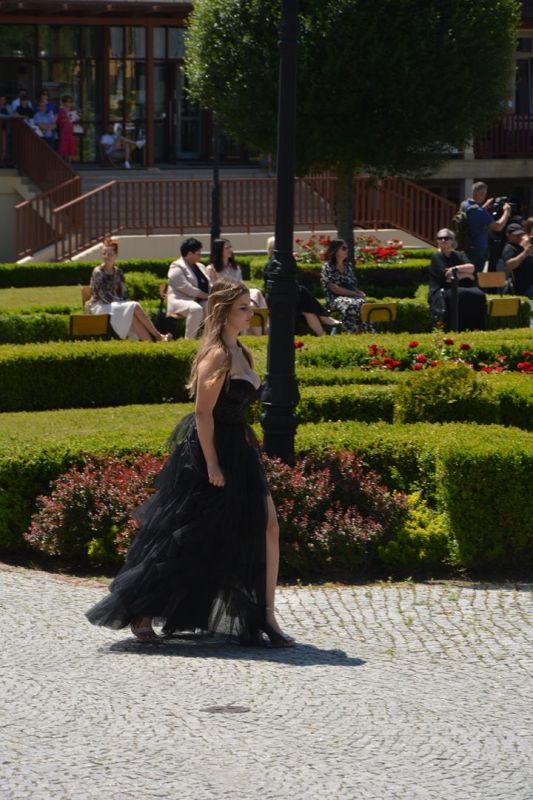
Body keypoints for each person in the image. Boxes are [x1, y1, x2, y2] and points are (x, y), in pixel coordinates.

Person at [86, 279, 294, 648]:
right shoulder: (217, 355)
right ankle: (143, 607)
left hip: (240, 451)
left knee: (268, 527)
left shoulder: (243, 352)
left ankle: (266, 614)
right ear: (224, 312)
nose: (250, 312)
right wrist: (212, 464)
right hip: (211, 453)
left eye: (249, 306)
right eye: (243, 307)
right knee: (190, 538)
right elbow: (202, 413)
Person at [87, 239, 171, 341]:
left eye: (110, 254)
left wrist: (123, 303)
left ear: (115, 255)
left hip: (114, 305)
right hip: (100, 306)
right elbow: (104, 296)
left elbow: (124, 292)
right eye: (104, 253)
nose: (106, 256)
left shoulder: (118, 272)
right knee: (134, 306)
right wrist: (122, 303)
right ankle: (158, 336)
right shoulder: (98, 272)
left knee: (132, 315)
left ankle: (151, 344)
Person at [265, 236, 339, 336]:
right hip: (280, 299)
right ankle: (324, 318)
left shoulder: (281, 261)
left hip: (290, 296)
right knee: (302, 292)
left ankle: (322, 334)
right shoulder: (274, 264)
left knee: (307, 310)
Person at [428, 228, 486, 331]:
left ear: (452, 240)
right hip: (443, 288)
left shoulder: (459, 254)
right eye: (440, 238)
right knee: (460, 294)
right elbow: (448, 278)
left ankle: (476, 328)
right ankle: (457, 328)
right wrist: (467, 275)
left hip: (462, 285)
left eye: (446, 238)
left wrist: (455, 269)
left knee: (479, 294)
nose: (443, 240)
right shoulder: (437, 257)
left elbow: (471, 268)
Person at [206, 238, 267, 335]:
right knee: (251, 304)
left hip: (239, 295)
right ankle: (261, 332)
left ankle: (257, 334)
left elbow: (241, 284)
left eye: (230, 247)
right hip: (225, 298)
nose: (230, 250)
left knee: (255, 297)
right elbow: (214, 289)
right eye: (227, 248)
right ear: (219, 250)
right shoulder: (211, 269)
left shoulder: (235, 268)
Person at [321, 239, 372, 334]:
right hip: (334, 298)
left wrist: (358, 292)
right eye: (343, 248)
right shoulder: (328, 267)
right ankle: (348, 332)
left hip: (351, 296)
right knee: (352, 304)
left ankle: (366, 332)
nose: (347, 250)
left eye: (347, 248)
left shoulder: (348, 266)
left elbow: (352, 284)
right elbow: (334, 289)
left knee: (362, 304)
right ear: (335, 250)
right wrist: (354, 294)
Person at [167, 238, 211, 339]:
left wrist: (216, 293)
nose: (200, 254)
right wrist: (207, 296)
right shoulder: (176, 267)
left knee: (212, 306)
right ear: (190, 253)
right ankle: (189, 341)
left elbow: (209, 284)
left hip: (199, 300)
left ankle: (208, 339)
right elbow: (186, 287)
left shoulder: (200, 266)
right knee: (196, 309)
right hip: (180, 300)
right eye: (198, 252)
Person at [461, 181, 511, 271]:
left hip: (466, 246)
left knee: (468, 273)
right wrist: (506, 211)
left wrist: (484, 207)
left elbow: (474, 217)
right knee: (476, 275)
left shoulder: (465, 204)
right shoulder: (480, 212)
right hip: (478, 250)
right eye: (484, 193)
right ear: (482, 193)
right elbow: (498, 227)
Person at [502, 223, 533, 325]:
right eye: (516, 235)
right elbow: (510, 265)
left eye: (520, 234)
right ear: (508, 235)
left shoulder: (522, 246)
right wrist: (525, 253)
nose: (519, 237)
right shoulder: (509, 248)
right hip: (524, 286)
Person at [56, 95, 77, 162]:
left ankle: (69, 164)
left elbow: (75, 121)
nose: (69, 103)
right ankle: (64, 164)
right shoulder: (61, 111)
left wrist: (76, 118)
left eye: (71, 102)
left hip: (71, 131)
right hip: (64, 131)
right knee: (64, 147)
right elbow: (58, 122)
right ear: (64, 102)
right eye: (67, 101)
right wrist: (65, 119)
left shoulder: (73, 111)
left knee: (71, 147)